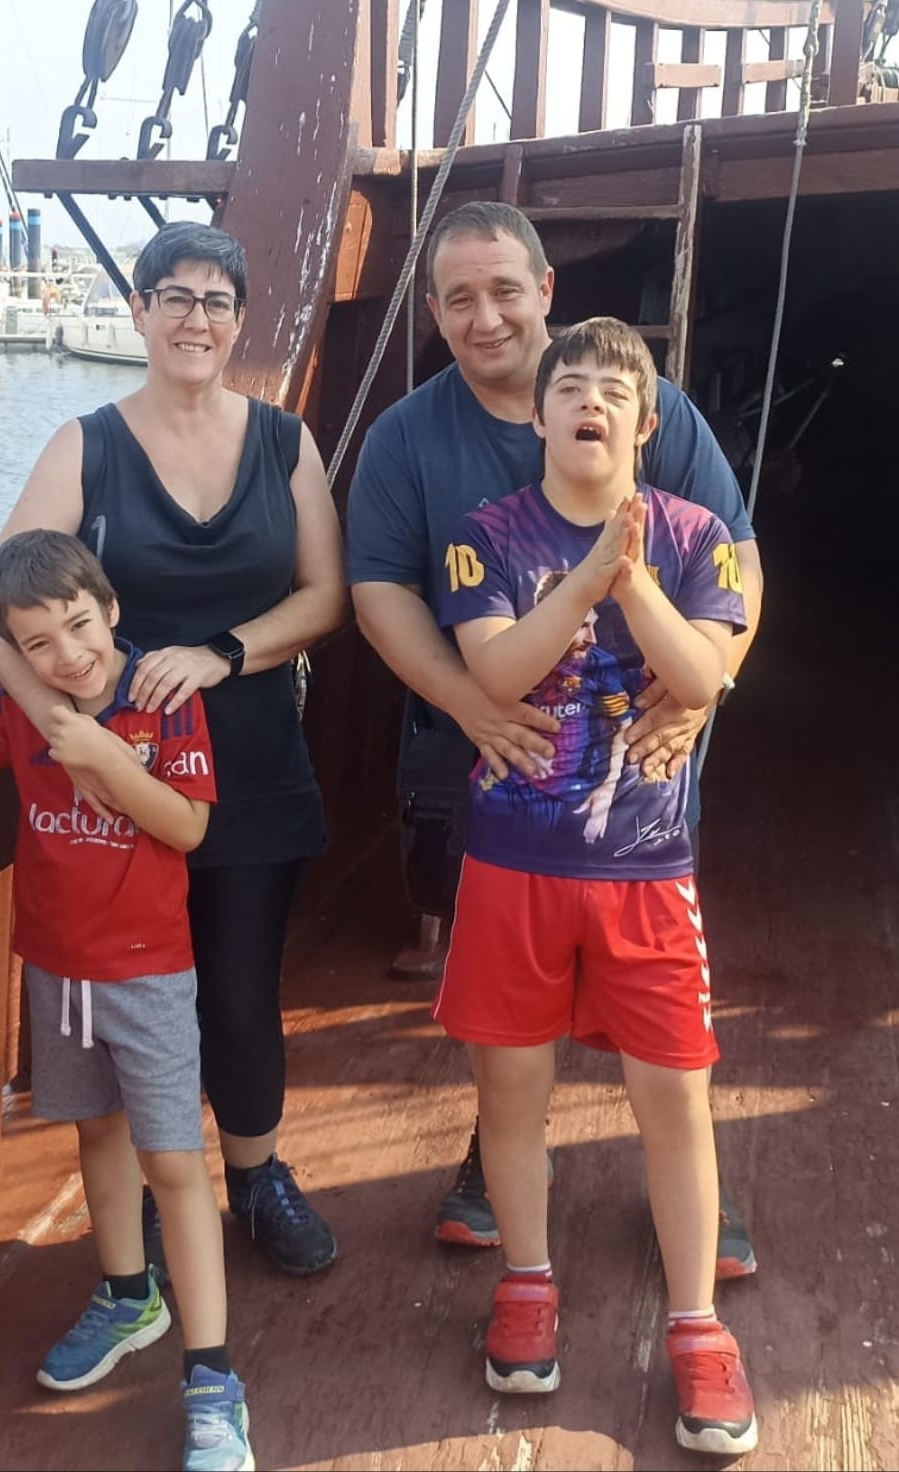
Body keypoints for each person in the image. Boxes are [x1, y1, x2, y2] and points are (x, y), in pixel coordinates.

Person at [346, 201, 762, 1271]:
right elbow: (380, 591)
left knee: (663, 1025)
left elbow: (738, 555)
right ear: (433, 310)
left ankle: (691, 1191)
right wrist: (467, 700)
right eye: (459, 299)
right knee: (507, 1009)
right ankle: (493, 1159)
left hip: (637, 769)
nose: (484, 317)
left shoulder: (644, 399)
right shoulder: (405, 438)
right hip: (492, 755)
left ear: (545, 290)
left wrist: (707, 690)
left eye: (504, 291)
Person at [0, 221, 348, 1280]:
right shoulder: (86, 444)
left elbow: (325, 595)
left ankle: (256, 1174)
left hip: (250, 762)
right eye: (173, 296)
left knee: (239, 989)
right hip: (117, 779)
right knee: (128, 987)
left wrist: (223, 653)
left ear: (239, 320)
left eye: (216, 301)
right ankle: (145, 1187)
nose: (196, 318)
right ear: (139, 312)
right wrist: (63, 735)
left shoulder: (285, 442)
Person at [0, 531, 254, 1472]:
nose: (68, 655)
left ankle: (212, 1378)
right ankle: (128, 1296)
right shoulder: (11, 705)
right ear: (14, 651)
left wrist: (108, 761)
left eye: (79, 626)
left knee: (174, 1164)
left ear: (110, 610)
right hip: (59, 973)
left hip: (149, 974)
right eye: (37, 643)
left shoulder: (162, 698)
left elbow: (188, 827)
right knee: (96, 1134)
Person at [438, 317, 756, 1455]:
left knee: (676, 1097)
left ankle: (697, 1325)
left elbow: (702, 676)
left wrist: (633, 581)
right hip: (512, 864)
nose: (591, 403)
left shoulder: (698, 534)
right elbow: (496, 669)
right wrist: (588, 578)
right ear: (538, 415)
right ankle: (526, 1279)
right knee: (510, 1092)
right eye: (569, 386)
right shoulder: (484, 535)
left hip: (646, 868)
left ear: (646, 422)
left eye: (615, 392)